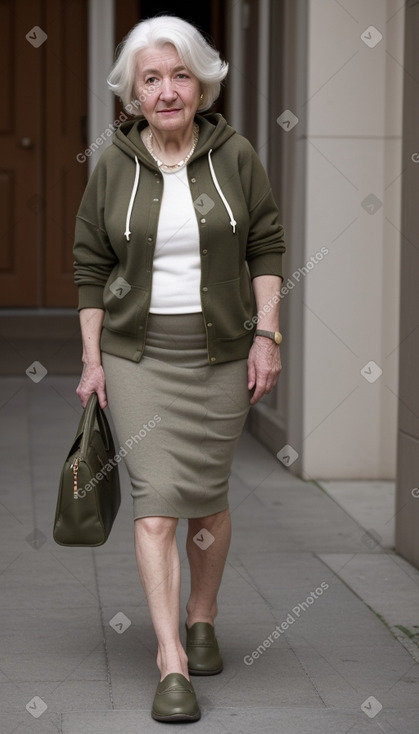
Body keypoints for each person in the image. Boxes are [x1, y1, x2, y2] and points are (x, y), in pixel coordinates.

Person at [73, 14, 285, 723]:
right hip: (137, 354)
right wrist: (91, 361)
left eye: (180, 75)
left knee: (208, 499)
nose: (167, 91)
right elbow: (90, 266)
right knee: (156, 504)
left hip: (221, 350)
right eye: (151, 79)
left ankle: (202, 615)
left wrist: (267, 336)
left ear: (202, 83)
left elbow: (265, 244)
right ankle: (170, 659)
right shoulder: (112, 162)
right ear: (133, 93)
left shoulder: (235, 155)